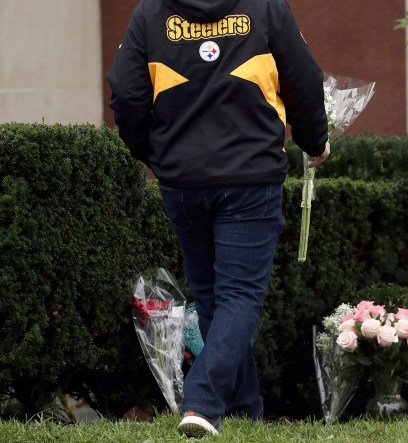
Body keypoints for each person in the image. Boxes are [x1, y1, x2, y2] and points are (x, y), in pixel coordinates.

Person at [108, 0, 329, 437]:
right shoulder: (266, 7)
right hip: (250, 175)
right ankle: (204, 402)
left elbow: (125, 93)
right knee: (239, 294)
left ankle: (244, 408)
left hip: (182, 180)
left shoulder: (150, 12)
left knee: (212, 296)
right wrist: (314, 140)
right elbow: (303, 80)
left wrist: (154, 155)